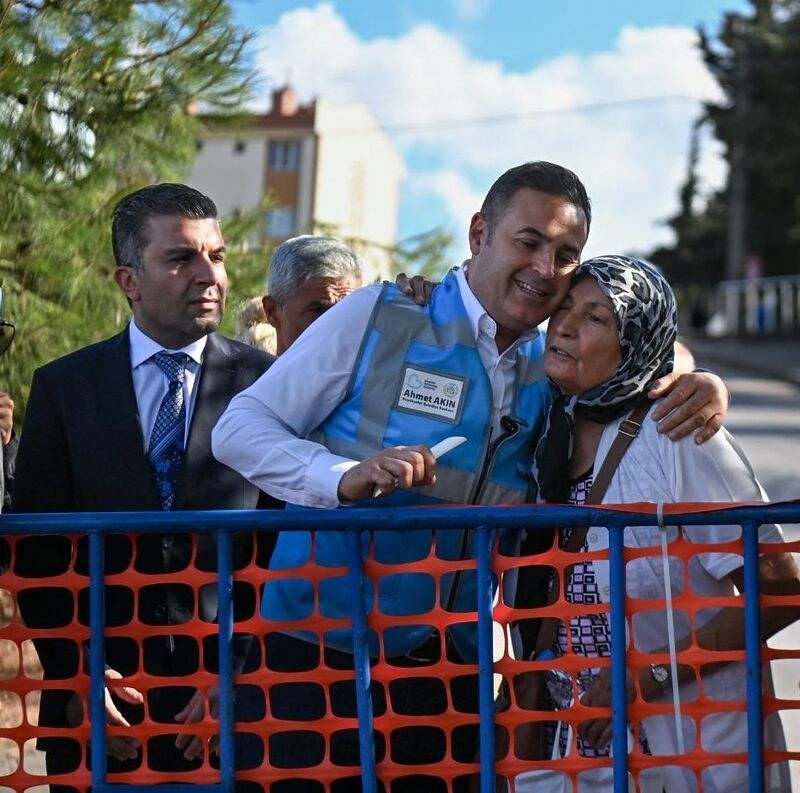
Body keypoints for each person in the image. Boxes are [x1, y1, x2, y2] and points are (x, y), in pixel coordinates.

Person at [212, 162, 729, 791]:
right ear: (479, 233)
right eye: (529, 241)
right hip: (313, 661)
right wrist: (340, 476)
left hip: (450, 679)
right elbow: (239, 428)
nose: (545, 268)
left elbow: (640, 350)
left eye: (566, 254)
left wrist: (696, 376)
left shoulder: (556, 364)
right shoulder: (381, 314)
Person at [13, 183, 280, 789]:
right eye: (181, 258)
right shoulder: (64, 388)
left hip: (225, 711)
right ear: (128, 280)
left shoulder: (269, 385)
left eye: (217, 255)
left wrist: (233, 672)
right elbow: (36, 549)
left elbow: (283, 547)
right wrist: (73, 670)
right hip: (99, 713)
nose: (208, 275)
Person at [514, 254, 799, 792]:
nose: (567, 327)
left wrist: (648, 677)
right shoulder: (544, 427)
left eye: (597, 318)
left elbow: (781, 588)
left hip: (691, 752)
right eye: (565, 308)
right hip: (576, 755)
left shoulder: (679, 432)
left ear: (636, 342)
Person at [261, 234, 366, 356]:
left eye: (349, 312)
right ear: (272, 311)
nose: (338, 327)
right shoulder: (246, 373)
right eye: (319, 311)